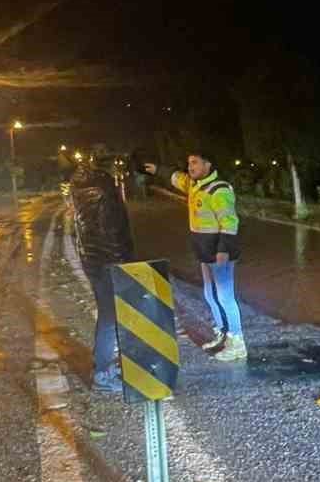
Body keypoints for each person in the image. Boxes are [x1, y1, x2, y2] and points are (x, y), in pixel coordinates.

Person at [144, 152, 246, 361]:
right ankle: (223, 334)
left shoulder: (219, 189)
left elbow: (230, 222)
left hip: (220, 254)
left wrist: (223, 251)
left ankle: (237, 341)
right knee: (210, 295)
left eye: (195, 162)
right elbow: (175, 177)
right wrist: (157, 170)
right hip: (205, 253)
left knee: (225, 296)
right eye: (189, 162)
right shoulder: (194, 185)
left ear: (208, 164)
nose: (190, 167)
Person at [68, 149, 136, 393]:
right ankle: (103, 374)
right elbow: (113, 230)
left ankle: (105, 367)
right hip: (109, 261)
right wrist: (124, 260)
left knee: (108, 314)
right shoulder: (104, 191)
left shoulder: (79, 189)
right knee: (110, 317)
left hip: (92, 260)